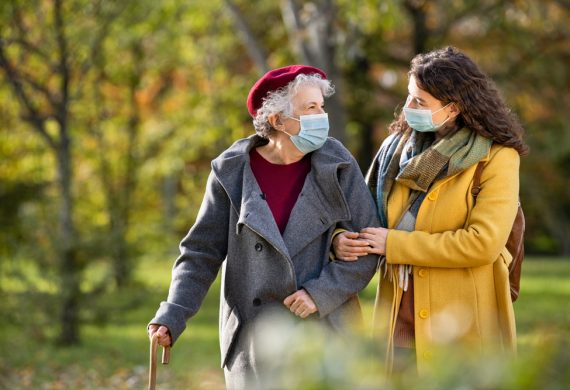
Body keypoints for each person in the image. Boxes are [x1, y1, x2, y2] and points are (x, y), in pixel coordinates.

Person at [148, 65, 379, 389]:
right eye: (310, 108)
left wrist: (321, 293)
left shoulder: (338, 164)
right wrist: (172, 313)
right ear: (277, 120)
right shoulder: (231, 172)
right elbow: (201, 252)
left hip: (327, 335)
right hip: (253, 341)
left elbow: (370, 244)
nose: (321, 117)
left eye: (321, 107)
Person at [333, 46, 528, 374]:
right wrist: (341, 239)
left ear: (452, 109)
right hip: (397, 317)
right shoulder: (396, 151)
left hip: (463, 323)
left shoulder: (497, 158)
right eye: (409, 96)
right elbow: (360, 216)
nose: (408, 108)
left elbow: (482, 243)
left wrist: (394, 245)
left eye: (420, 101)